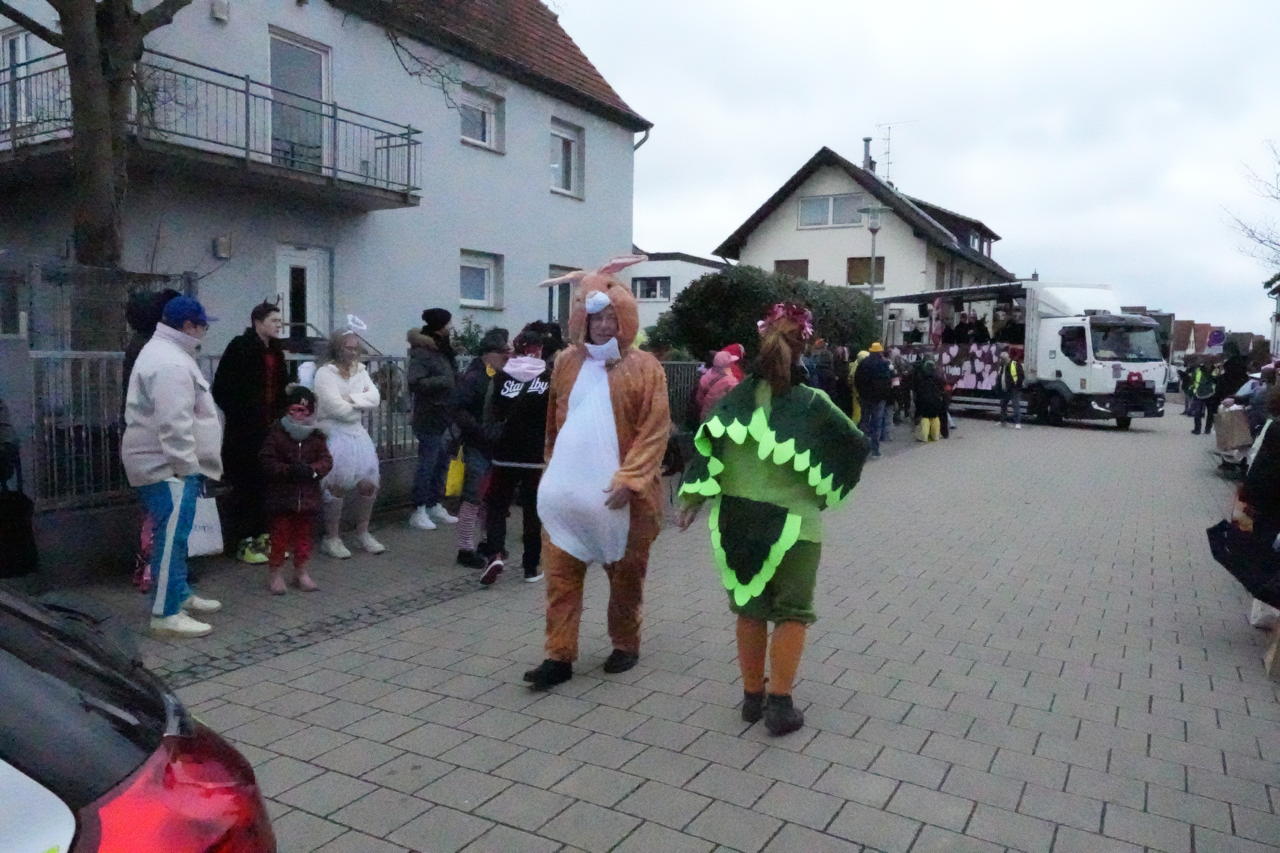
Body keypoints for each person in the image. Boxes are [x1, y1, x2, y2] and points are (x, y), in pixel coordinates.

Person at [676, 302, 868, 735]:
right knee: (792, 613)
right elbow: (854, 445)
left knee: (749, 609)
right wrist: (821, 490)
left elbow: (707, 449)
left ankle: (751, 698)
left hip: (736, 521)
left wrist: (690, 500)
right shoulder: (813, 403)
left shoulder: (734, 398)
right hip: (797, 525)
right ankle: (780, 704)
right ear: (805, 347)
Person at [524, 256, 670, 691]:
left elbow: (654, 429)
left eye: (611, 317)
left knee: (625, 581)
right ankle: (558, 655)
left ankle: (625, 643)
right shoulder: (567, 363)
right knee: (560, 581)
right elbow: (555, 422)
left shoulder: (646, 368)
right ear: (581, 319)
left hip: (621, 502)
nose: (604, 326)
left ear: (625, 318)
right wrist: (551, 471)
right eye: (595, 317)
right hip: (568, 498)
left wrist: (632, 480)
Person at [120, 296, 224, 638]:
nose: (205, 332)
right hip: (166, 465)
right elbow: (173, 422)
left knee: (177, 536)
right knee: (171, 536)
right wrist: (184, 466)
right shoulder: (171, 363)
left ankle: (178, 593)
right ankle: (165, 613)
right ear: (189, 326)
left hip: (163, 462)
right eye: (203, 326)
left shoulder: (166, 352)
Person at [212, 301, 290, 566]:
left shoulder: (277, 352)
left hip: (269, 430)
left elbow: (281, 387)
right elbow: (222, 388)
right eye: (274, 321)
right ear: (258, 322)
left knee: (267, 486)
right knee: (245, 486)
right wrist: (244, 414)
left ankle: (263, 536)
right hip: (244, 433)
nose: (279, 326)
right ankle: (243, 540)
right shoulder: (240, 347)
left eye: (280, 322)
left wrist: (281, 412)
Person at [480, 326, 552, 585]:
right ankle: (531, 566)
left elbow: (489, 413)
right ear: (540, 350)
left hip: (504, 454)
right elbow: (556, 415)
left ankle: (495, 553)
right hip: (535, 456)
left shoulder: (500, 376)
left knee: (497, 506)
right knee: (533, 509)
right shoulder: (548, 378)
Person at [122, 287, 181, 592]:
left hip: (151, 437)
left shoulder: (143, 345)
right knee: (161, 509)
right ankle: (154, 571)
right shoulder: (150, 348)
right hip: (155, 440)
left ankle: (154, 568)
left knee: (158, 509)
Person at [314, 324, 385, 558]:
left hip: (357, 433)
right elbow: (335, 408)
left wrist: (350, 400)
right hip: (334, 433)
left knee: (368, 483)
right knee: (337, 485)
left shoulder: (361, 371)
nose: (353, 352)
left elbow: (375, 397)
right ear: (337, 348)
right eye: (348, 347)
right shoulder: (325, 373)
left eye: (356, 348)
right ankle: (331, 537)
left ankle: (362, 532)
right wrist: (358, 405)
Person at [259, 385, 332, 594]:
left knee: (303, 538)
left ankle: (301, 571)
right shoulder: (276, 434)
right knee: (279, 537)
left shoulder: (317, 437)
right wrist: (288, 471)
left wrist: (312, 471)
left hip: (307, 498)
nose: (300, 415)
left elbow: (326, 461)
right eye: (295, 410)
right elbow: (267, 460)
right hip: (282, 498)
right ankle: (275, 572)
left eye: (305, 411)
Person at [450, 328, 511, 569]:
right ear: (489, 354)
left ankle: (488, 542)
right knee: (473, 497)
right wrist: (479, 430)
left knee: (490, 498)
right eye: (503, 353)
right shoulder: (474, 377)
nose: (507, 358)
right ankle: (465, 548)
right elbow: (457, 409)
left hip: (492, 444)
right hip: (477, 445)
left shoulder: (495, 374)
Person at [407, 308, 461, 531]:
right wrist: (444, 381)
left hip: (445, 414)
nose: (450, 328)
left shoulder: (442, 350)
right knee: (428, 463)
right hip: (429, 415)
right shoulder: (422, 352)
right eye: (448, 324)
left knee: (442, 462)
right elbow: (415, 382)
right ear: (440, 325)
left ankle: (434, 503)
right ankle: (418, 509)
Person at [853, 342, 892, 457]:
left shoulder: (863, 363)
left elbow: (857, 380)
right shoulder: (884, 364)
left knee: (864, 421)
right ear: (880, 352)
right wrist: (885, 395)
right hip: (879, 399)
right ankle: (875, 450)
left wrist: (860, 394)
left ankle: (862, 448)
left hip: (865, 397)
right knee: (877, 423)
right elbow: (888, 381)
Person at [695, 349, 741, 422]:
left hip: (705, 417)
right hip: (720, 421)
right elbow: (738, 402)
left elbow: (699, 399)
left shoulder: (705, 377)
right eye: (731, 363)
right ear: (728, 365)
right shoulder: (731, 382)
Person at [913, 359, 945, 441]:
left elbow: (917, 389)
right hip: (936, 400)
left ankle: (924, 437)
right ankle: (935, 436)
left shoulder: (920, 377)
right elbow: (942, 388)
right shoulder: (938, 377)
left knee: (925, 418)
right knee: (935, 417)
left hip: (924, 401)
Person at [995, 349, 1024, 429]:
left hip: (1014, 389)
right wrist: (998, 387)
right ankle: (1003, 421)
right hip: (1005, 389)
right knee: (1003, 404)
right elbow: (1000, 377)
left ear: (1005, 359)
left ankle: (1017, 423)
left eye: (1001, 359)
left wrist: (1017, 386)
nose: (1000, 360)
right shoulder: (1002, 366)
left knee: (1015, 405)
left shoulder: (1014, 364)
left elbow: (1021, 376)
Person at [1189, 360, 1218, 435]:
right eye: (1207, 363)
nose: (1208, 364)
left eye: (1209, 363)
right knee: (1198, 412)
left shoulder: (1215, 370)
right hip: (1200, 393)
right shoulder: (1198, 370)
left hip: (1210, 393)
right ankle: (1198, 429)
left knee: (1210, 412)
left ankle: (1206, 429)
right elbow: (1193, 380)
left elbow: (1217, 381)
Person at [848, 349, 869, 424]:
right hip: (859, 392)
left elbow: (850, 378)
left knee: (857, 411)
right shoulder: (861, 366)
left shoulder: (855, 364)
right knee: (858, 412)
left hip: (855, 391)